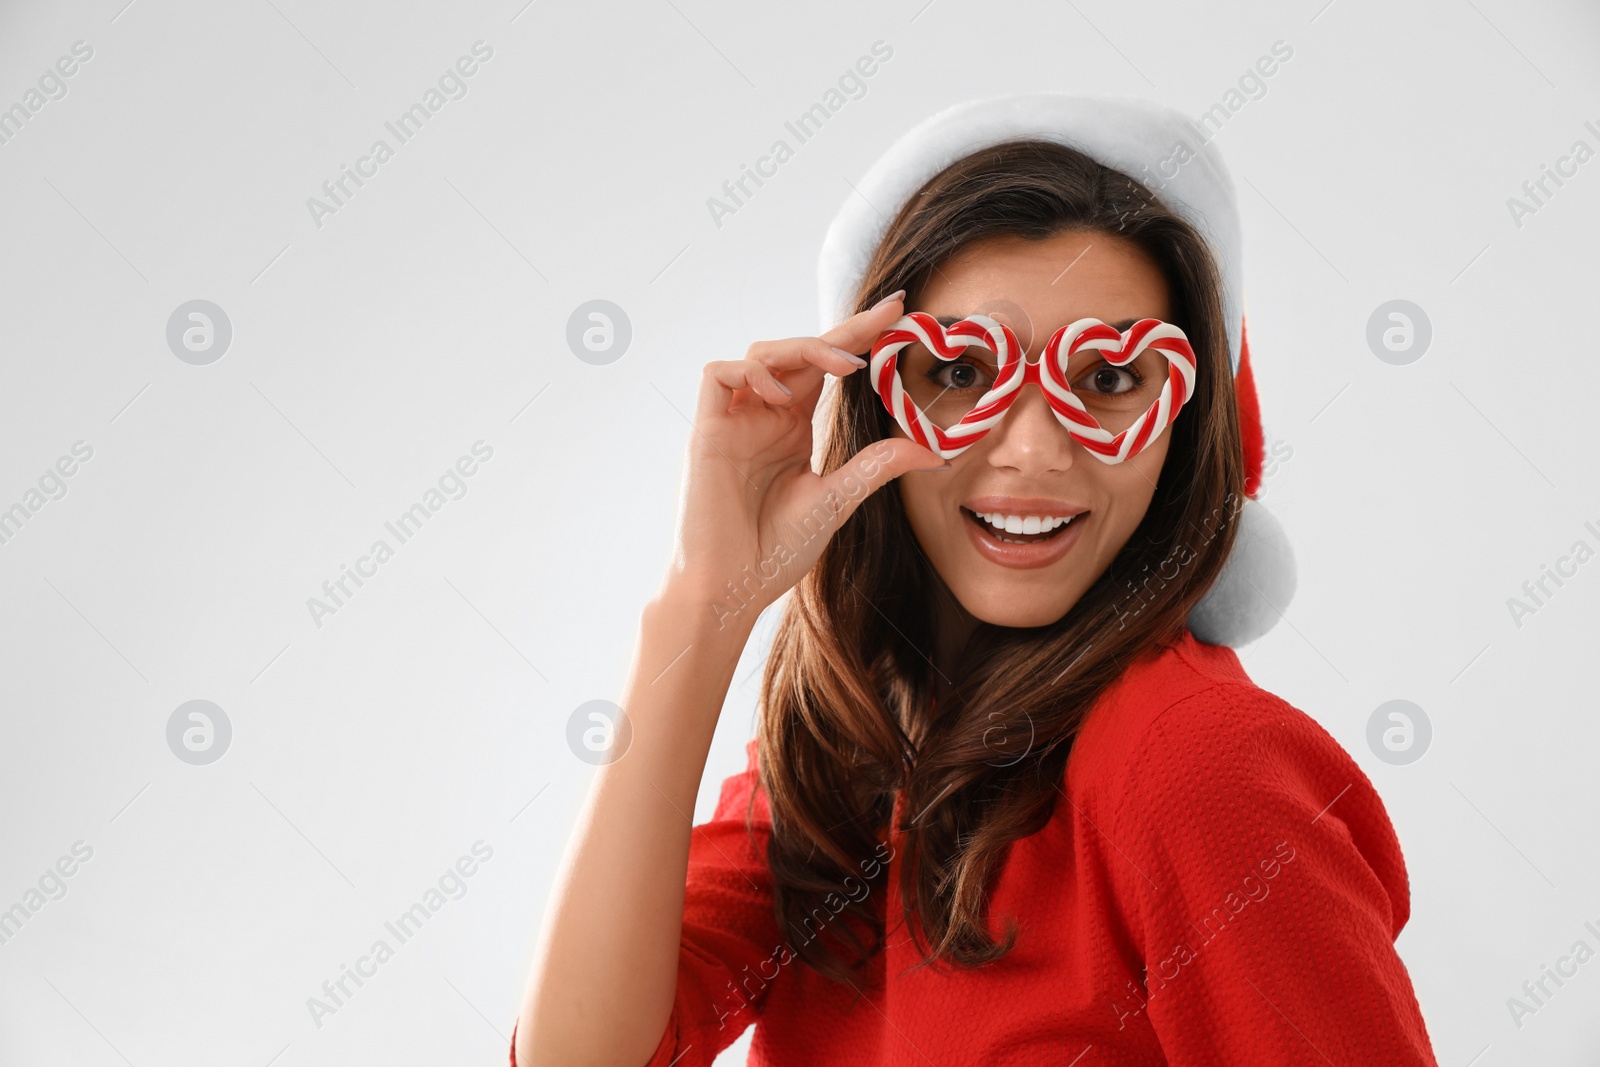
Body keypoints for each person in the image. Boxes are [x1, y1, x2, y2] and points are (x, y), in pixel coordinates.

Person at [509, 95, 1440, 1065]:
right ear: (877, 403)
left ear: (1182, 428)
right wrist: (706, 599)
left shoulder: (1197, 764)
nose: (1032, 452)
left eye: (1109, 379)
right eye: (957, 370)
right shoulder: (863, 734)